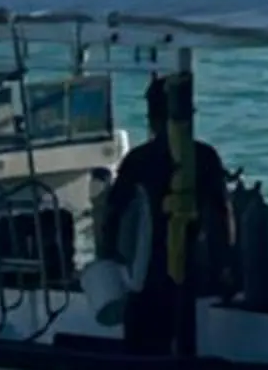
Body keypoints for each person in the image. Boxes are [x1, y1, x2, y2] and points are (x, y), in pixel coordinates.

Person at [96, 74, 232, 349]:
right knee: (185, 340)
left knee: (141, 347)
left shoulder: (138, 161)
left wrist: (108, 259)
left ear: (151, 118)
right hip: (192, 269)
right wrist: (224, 265)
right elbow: (222, 217)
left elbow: (113, 216)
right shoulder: (205, 157)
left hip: (144, 272)